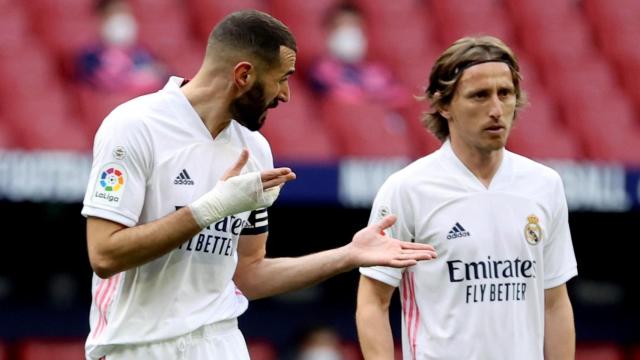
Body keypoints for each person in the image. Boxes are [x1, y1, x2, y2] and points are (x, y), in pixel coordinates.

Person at [81, 10, 437, 360]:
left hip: (220, 342)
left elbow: (249, 275)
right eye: (281, 78)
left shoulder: (254, 149)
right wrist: (212, 208)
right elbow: (104, 255)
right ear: (244, 74)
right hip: (135, 346)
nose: (285, 95)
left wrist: (347, 255)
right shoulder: (134, 127)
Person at [356, 36, 577, 359]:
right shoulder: (408, 189)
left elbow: (555, 302)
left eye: (505, 93)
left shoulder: (545, 185)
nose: (496, 110)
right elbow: (373, 302)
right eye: (479, 96)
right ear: (444, 105)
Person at [307, 1, 409, 109]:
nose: (349, 34)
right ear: (328, 32)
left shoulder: (376, 72)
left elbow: (400, 96)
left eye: (354, 26)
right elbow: (327, 97)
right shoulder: (322, 70)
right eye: (341, 27)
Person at [76, 0, 167, 95]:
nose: (122, 20)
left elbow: (167, 77)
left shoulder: (142, 52)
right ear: (100, 19)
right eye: (115, 14)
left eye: (126, 13)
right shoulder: (90, 56)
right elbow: (103, 86)